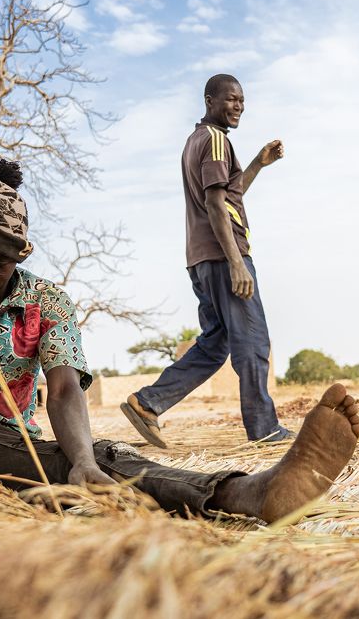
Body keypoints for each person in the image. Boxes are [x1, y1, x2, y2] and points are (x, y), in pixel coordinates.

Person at [0, 160, 359, 522]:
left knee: (92, 463)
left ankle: (248, 494)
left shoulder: (47, 301)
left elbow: (62, 390)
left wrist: (80, 457)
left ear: (21, 257)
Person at [120, 74, 290, 447]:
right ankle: (265, 429)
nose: (238, 106)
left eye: (242, 101)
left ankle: (147, 403)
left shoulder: (196, 140)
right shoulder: (215, 140)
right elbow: (215, 204)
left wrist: (258, 163)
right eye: (231, 99)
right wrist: (236, 262)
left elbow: (228, 195)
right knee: (253, 340)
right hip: (223, 256)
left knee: (215, 345)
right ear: (209, 100)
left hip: (201, 260)